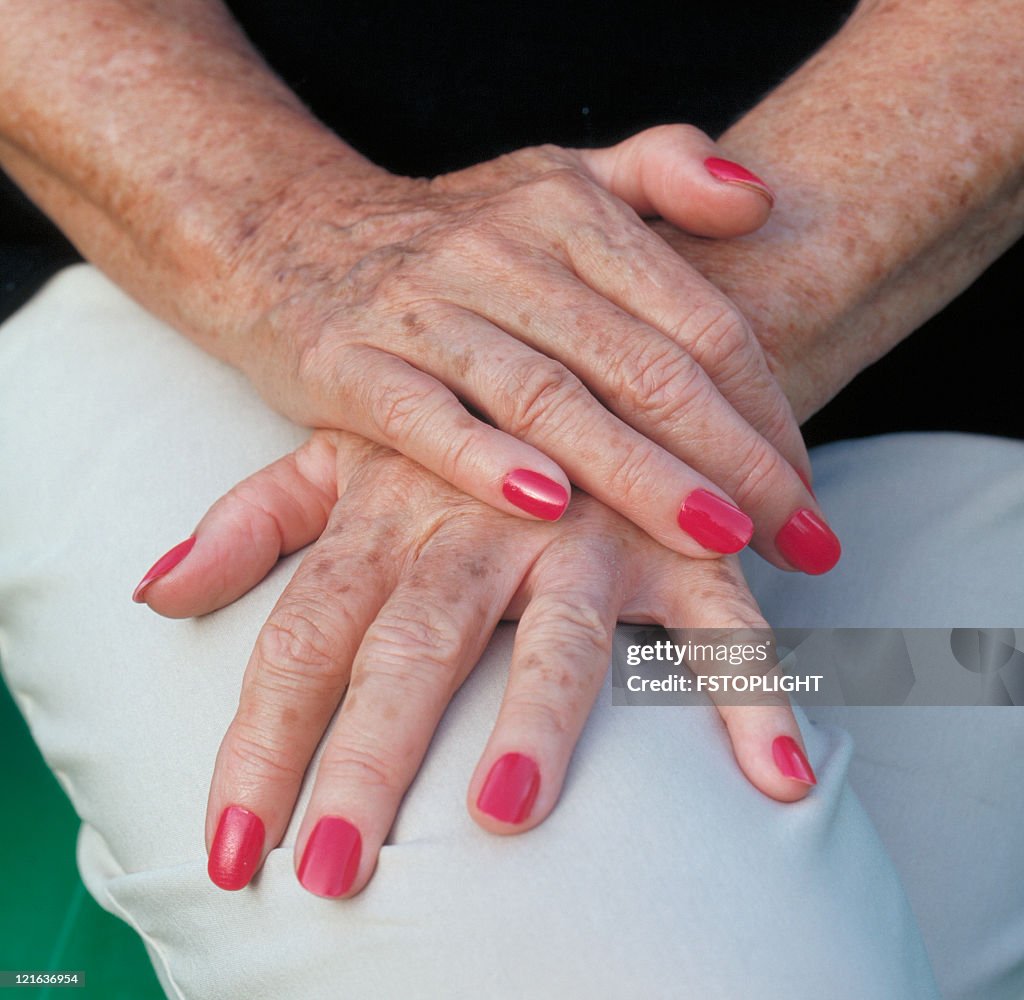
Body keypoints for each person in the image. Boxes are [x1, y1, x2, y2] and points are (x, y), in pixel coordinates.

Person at [1, 0, 1022, 997]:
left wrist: (626, 370)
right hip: (200, 286)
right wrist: (309, 245)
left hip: (947, 361)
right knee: (585, 948)